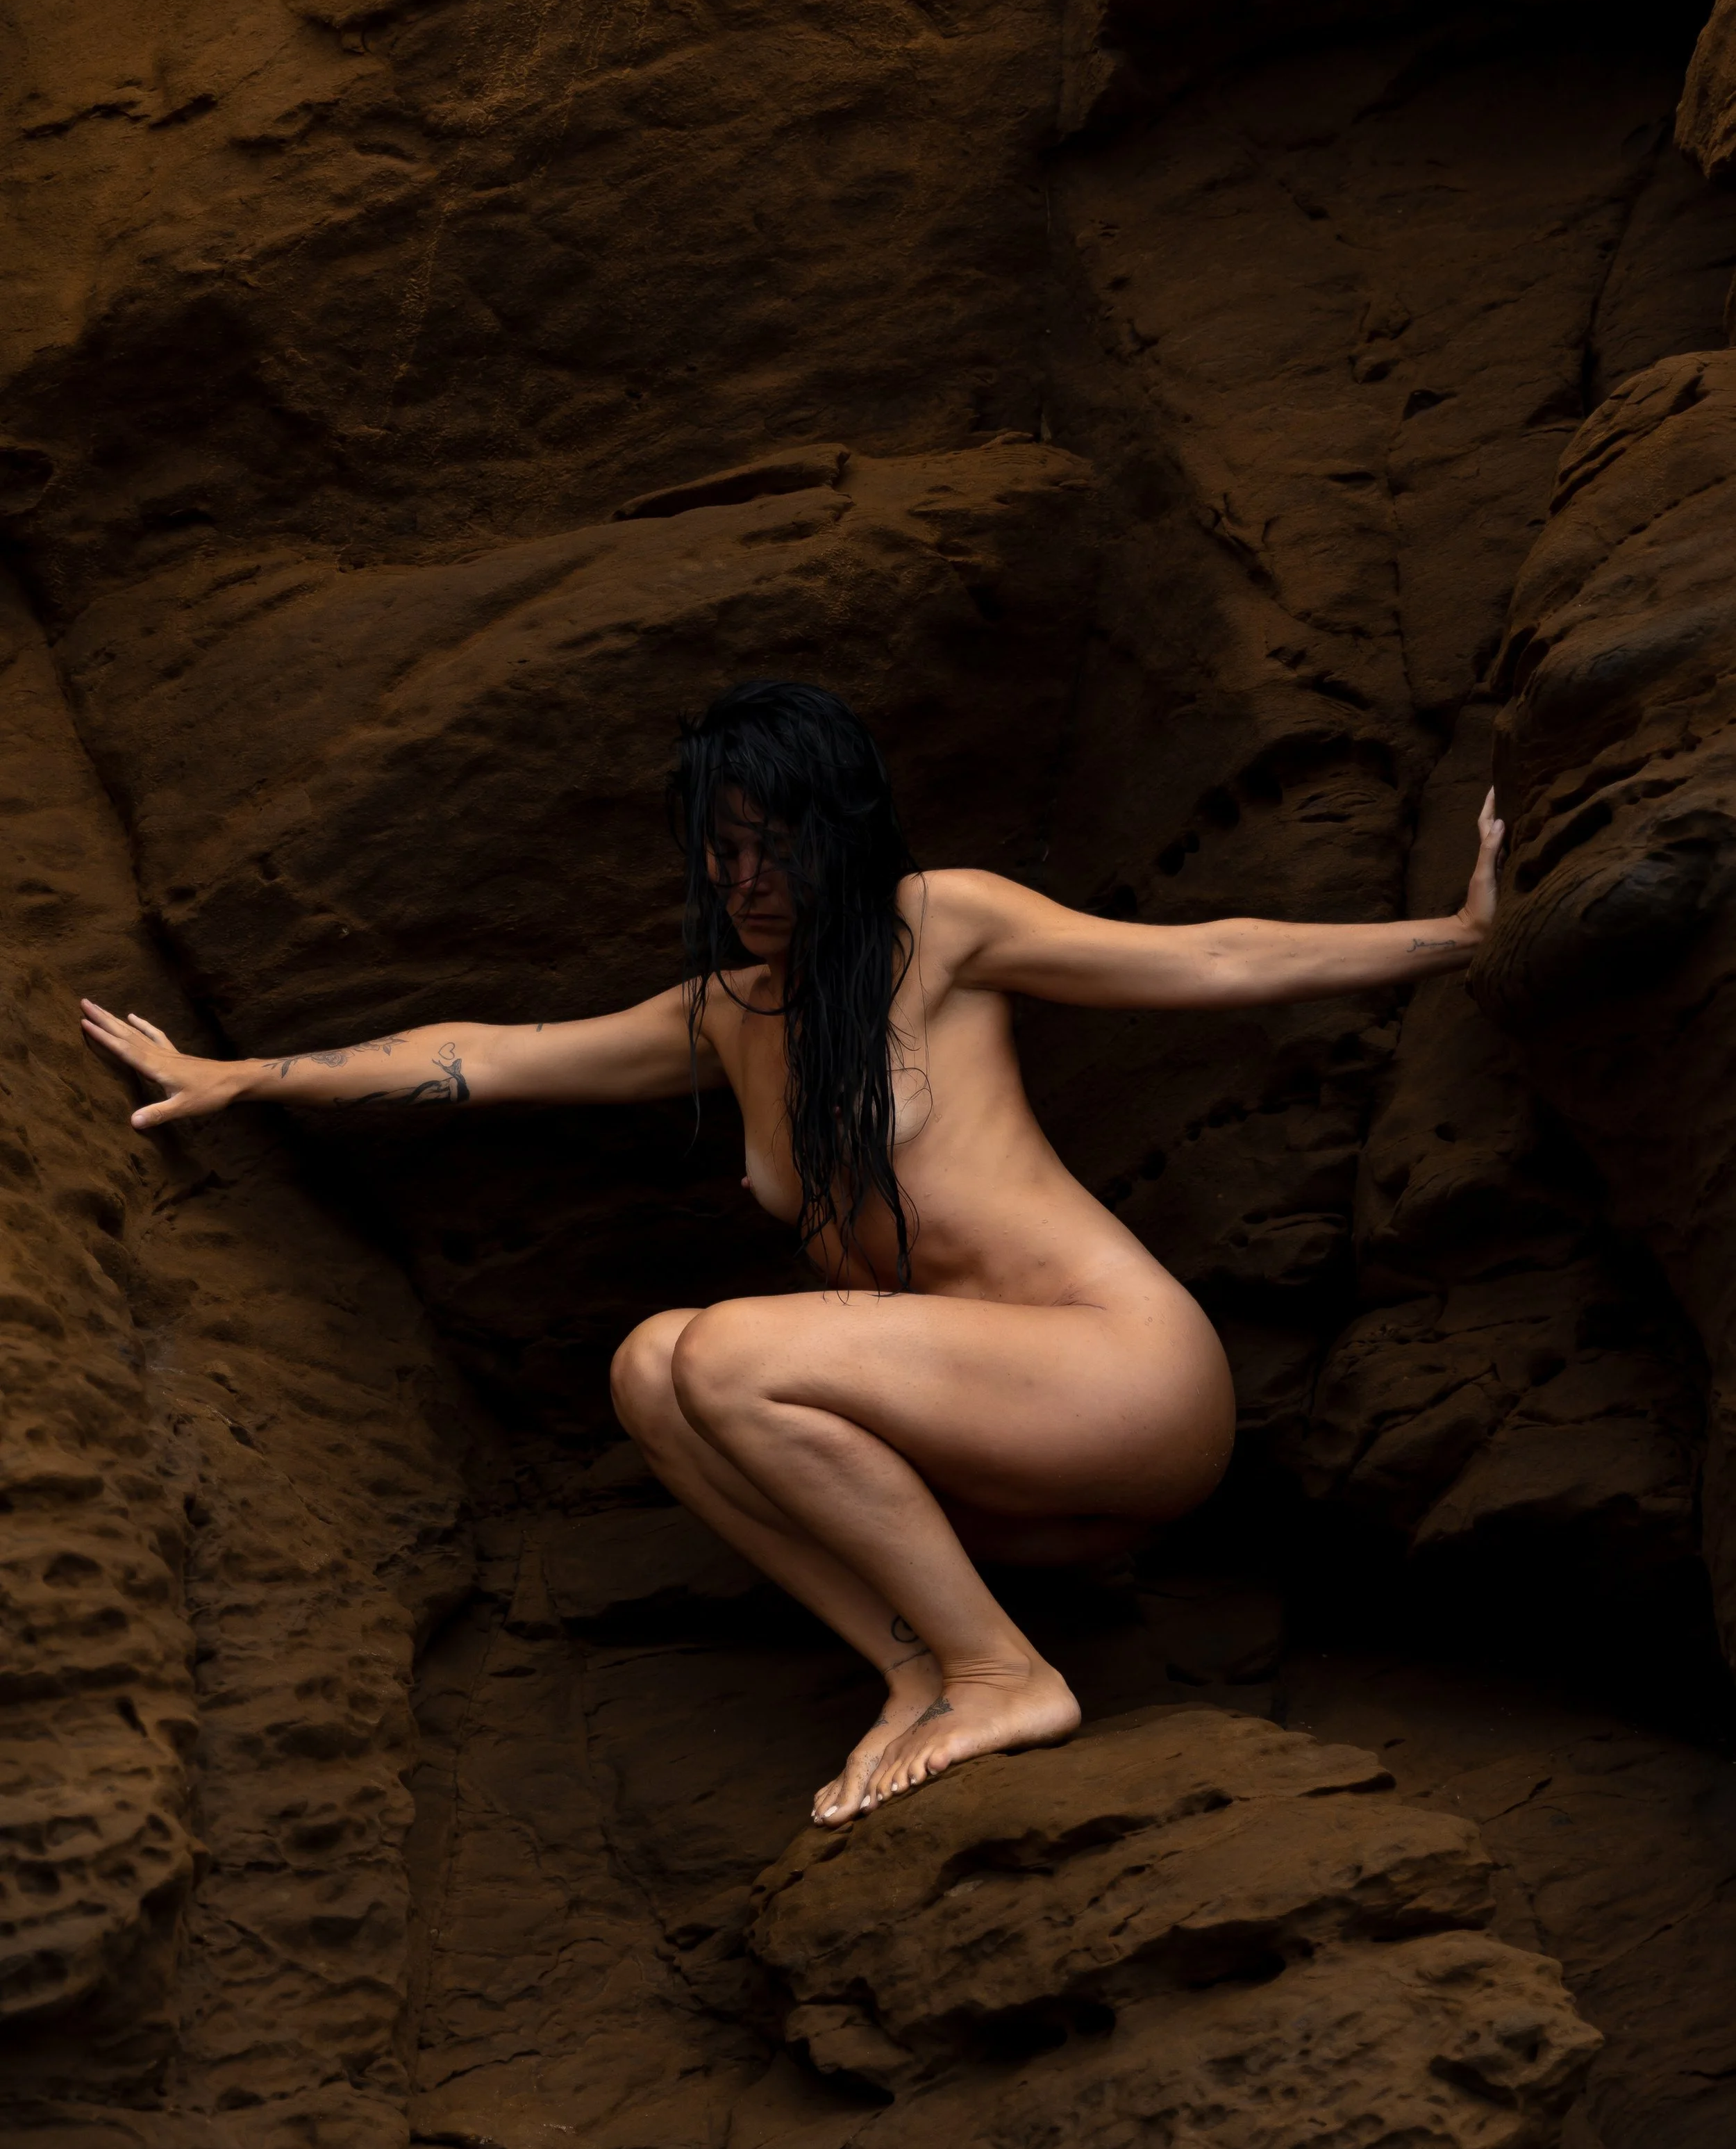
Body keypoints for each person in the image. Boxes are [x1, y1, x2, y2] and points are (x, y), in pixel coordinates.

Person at [81, 680, 1504, 1824]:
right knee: (650, 1366)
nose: (749, 877)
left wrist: (1451, 939)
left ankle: (1003, 1670)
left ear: (843, 828)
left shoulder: (935, 927)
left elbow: (1203, 960)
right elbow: (491, 1055)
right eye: (725, 849)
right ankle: (914, 1669)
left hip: (1121, 1383)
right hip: (982, 1461)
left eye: (778, 842)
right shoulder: (722, 1013)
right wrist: (250, 1076)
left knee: (735, 1345)